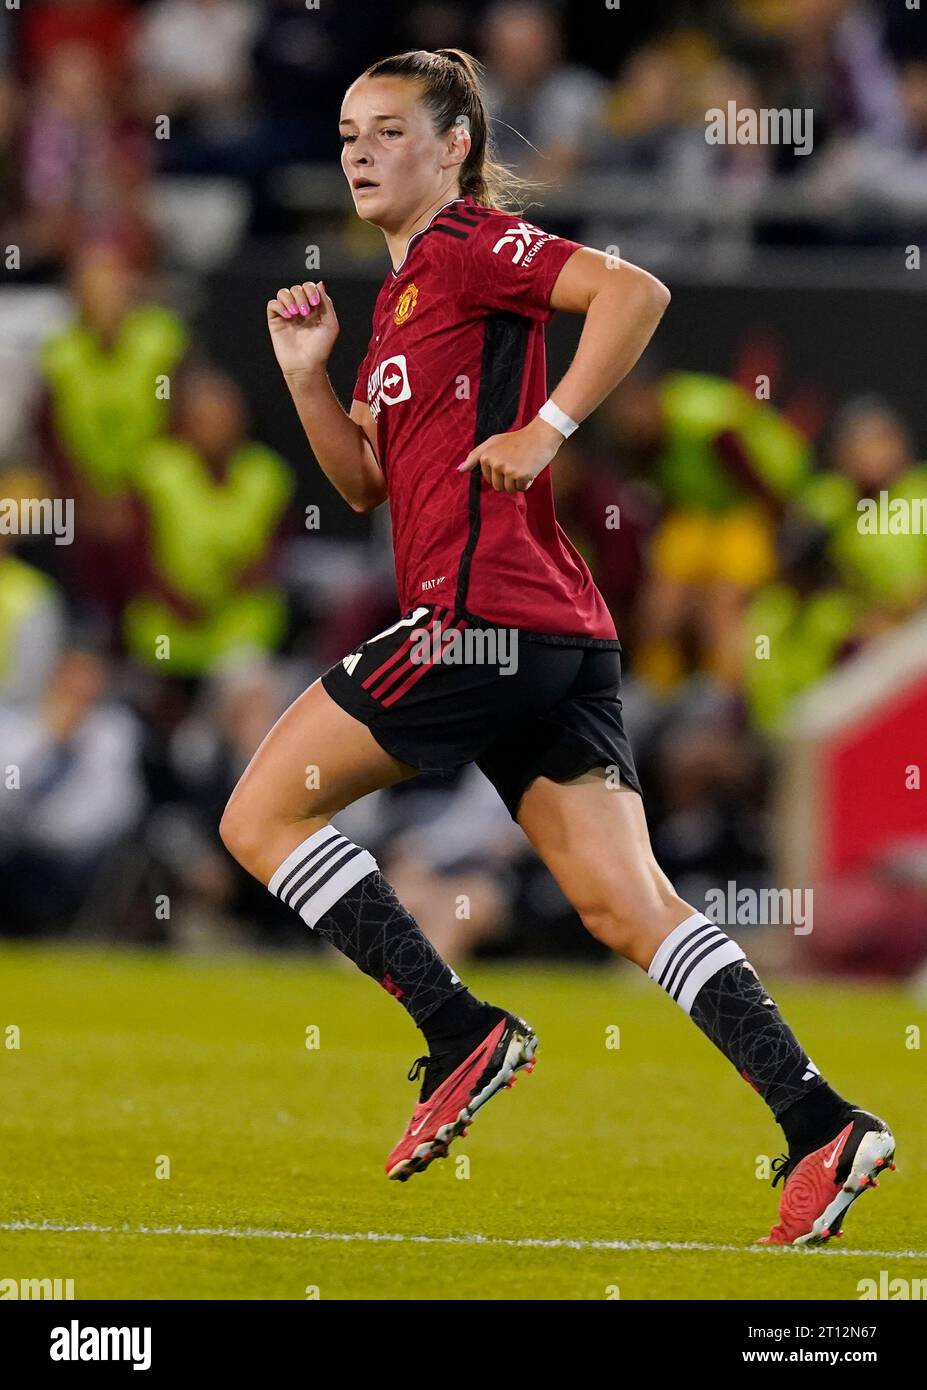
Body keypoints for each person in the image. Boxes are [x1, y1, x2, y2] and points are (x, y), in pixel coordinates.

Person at [218, 47, 895, 1243]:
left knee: (260, 817)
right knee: (629, 904)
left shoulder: (473, 244)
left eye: (386, 131)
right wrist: (308, 381)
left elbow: (637, 293)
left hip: (481, 617)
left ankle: (456, 1027)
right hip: (556, 630)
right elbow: (367, 486)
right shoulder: (401, 296)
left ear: (454, 147)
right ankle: (821, 1120)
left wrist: (547, 426)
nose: (358, 153)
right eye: (345, 134)